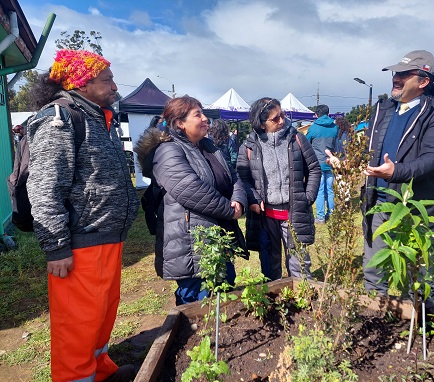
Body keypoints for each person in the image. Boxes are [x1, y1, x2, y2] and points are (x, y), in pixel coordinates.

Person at [26, 50, 139, 382]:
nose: (115, 85)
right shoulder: (59, 118)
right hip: (79, 246)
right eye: (108, 80)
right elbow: (46, 187)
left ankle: (100, 371)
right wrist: (56, 248)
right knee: (77, 326)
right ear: (82, 83)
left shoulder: (97, 116)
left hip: (105, 237)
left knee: (101, 316)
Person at [361, 50, 434, 312]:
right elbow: (370, 149)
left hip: (414, 209)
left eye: (404, 74)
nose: (397, 78)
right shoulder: (383, 108)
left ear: (424, 81)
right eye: (396, 73)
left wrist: (397, 172)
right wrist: (346, 163)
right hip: (378, 204)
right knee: (373, 268)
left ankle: (418, 322)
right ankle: (376, 317)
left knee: (416, 275)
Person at [134, 96, 247, 305]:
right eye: (198, 114)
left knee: (224, 288)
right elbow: (192, 190)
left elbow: (234, 178)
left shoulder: (209, 146)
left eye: (203, 113)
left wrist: (239, 200)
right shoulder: (167, 150)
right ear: (179, 123)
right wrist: (230, 210)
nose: (206, 119)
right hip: (191, 240)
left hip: (218, 233)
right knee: (196, 299)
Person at [237, 97, 321, 281]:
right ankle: (275, 302)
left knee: (299, 263)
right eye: (275, 118)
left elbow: (314, 168)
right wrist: (252, 199)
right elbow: (243, 178)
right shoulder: (249, 146)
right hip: (265, 218)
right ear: (261, 123)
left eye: (282, 115)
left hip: (294, 213)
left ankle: (303, 299)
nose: (282, 120)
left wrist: (307, 197)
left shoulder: (296, 138)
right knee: (270, 264)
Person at [305, 104, 339, 223]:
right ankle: (332, 214)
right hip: (330, 163)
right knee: (330, 190)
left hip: (317, 164)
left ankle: (320, 217)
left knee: (319, 190)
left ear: (316, 115)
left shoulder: (313, 128)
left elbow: (306, 144)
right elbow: (336, 145)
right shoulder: (335, 127)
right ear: (328, 114)